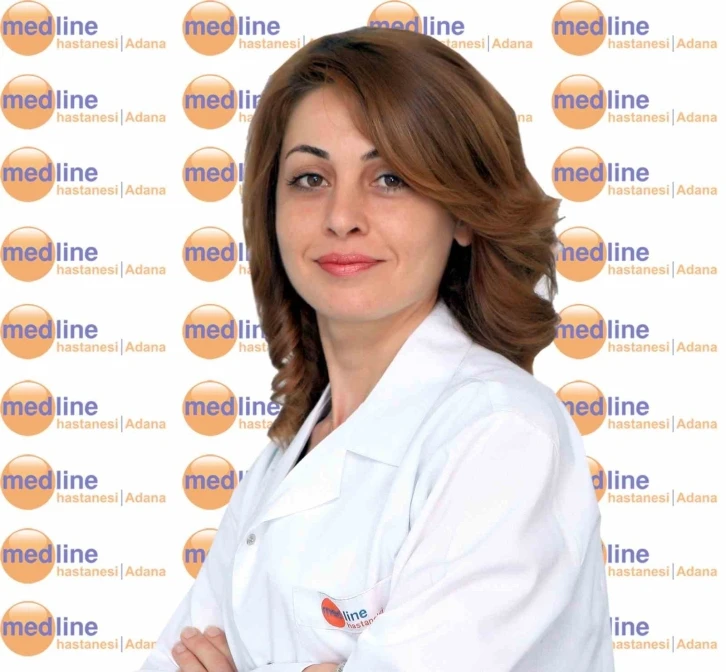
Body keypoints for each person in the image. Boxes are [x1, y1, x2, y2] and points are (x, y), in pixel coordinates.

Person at [139, 25, 615, 672]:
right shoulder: (288, 454)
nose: (342, 217)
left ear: (464, 213)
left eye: (389, 178)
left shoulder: (503, 433)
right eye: (310, 178)